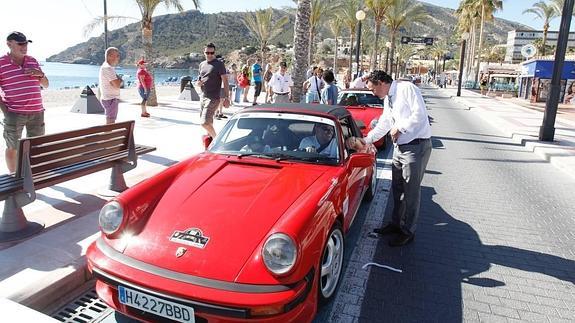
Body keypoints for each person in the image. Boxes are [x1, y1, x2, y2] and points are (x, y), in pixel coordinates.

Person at [348, 70, 432, 247]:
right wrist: (366, 140)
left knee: (411, 191)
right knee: (398, 188)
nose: (372, 93)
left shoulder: (406, 89)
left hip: (415, 146)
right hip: (400, 147)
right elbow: (385, 123)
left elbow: (420, 115)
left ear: (381, 83)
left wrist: (400, 127)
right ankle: (396, 224)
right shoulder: (388, 98)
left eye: (372, 90)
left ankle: (408, 231)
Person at [0, 32, 48, 173]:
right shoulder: (1, 63)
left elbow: (46, 84)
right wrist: (5, 111)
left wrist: (41, 74)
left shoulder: (32, 60)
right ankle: (14, 180)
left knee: (35, 146)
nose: (24, 46)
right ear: (9, 44)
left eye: (26, 43)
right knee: (13, 147)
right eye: (20, 43)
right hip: (14, 113)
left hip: (37, 112)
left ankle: (29, 176)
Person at [196, 43, 229, 139]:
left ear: (214, 52)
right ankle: (210, 140)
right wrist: (198, 83)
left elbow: (225, 81)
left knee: (204, 123)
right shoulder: (202, 64)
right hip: (203, 96)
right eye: (207, 52)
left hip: (213, 98)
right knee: (209, 122)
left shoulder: (219, 64)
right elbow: (199, 79)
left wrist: (227, 97)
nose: (209, 55)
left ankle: (217, 140)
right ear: (204, 52)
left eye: (212, 52)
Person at [99, 47, 122, 124]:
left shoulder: (106, 67)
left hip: (109, 98)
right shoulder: (108, 68)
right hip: (111, 99)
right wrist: (120, 80)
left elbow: (116, 81)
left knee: (110, 120)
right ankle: (108, 135)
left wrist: (118, 79)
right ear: (109, 56)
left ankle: (108, 134)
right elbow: (117, 85)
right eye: (117, 55)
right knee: (111, 121)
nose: (118, 58)